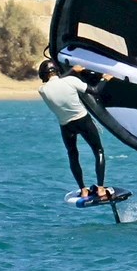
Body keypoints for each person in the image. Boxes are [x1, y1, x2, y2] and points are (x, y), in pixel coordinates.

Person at [37, 60, 114, 200]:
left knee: (73, 155)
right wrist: (105, 79)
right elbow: (95, 91)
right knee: (98, 151)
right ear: (57, 71)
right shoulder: (71, 81)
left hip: (66, 126)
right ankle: (101, 189)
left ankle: (83, 190)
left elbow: (57, 82)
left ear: (43, 75)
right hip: (83, 121)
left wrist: (72, 70)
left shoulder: (42, 90)